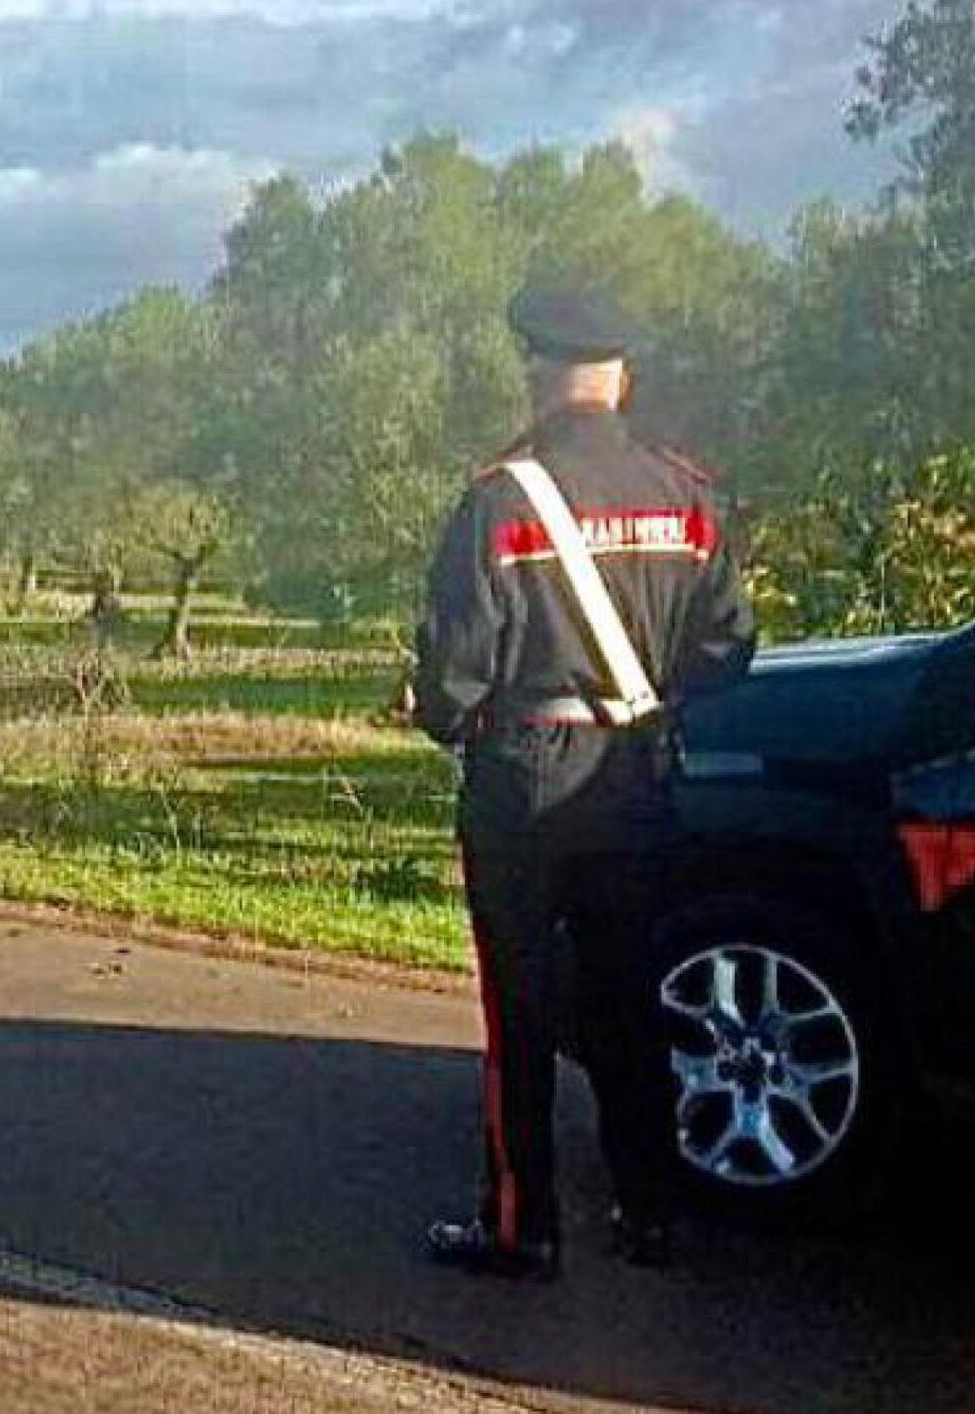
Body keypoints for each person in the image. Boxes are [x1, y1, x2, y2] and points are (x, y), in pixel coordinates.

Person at [414, 283, 755, 1280]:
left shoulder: (500, 499)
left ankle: (522, 1226)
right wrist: (648, 698)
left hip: (523, 783)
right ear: (622, 376)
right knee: (630, 1002)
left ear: (537, 372)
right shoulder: (688, 496)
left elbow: (452, 675)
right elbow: (730, 647)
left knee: (517, 1011)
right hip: (636, 778)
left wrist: (444, 719)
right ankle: (649, 1213)